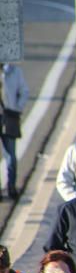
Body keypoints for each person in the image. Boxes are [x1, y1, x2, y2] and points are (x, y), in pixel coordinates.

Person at [1, 63, 29, 198]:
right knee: (9, 153)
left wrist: (16, 108)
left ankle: (11, 185)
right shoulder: (13, 71)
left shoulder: (14, 71)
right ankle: (8, 188)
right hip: (7, 115)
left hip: (9, 116)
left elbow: (24, 91)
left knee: (10, 154)